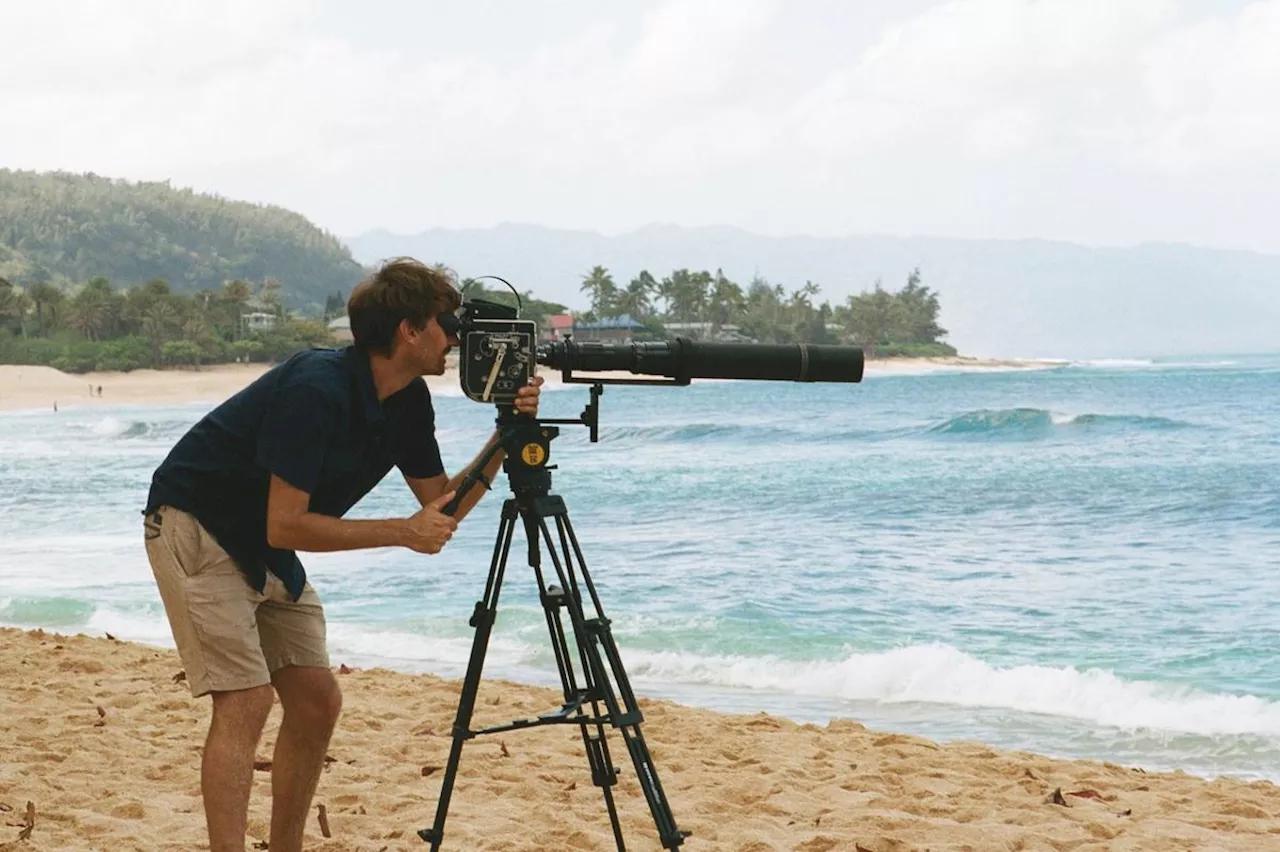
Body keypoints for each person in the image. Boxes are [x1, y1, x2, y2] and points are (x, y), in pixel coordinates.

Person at [141, 257, 542, 852]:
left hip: (264, 540)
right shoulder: (316, 387)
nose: (455, 337)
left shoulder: (407, 402)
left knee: (316, 700)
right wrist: (402, 533)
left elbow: (440, 507)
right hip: (198, 523)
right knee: (247, 699)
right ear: (409, 330)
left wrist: (507, 435)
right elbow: (289, 523)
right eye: (445, 323)